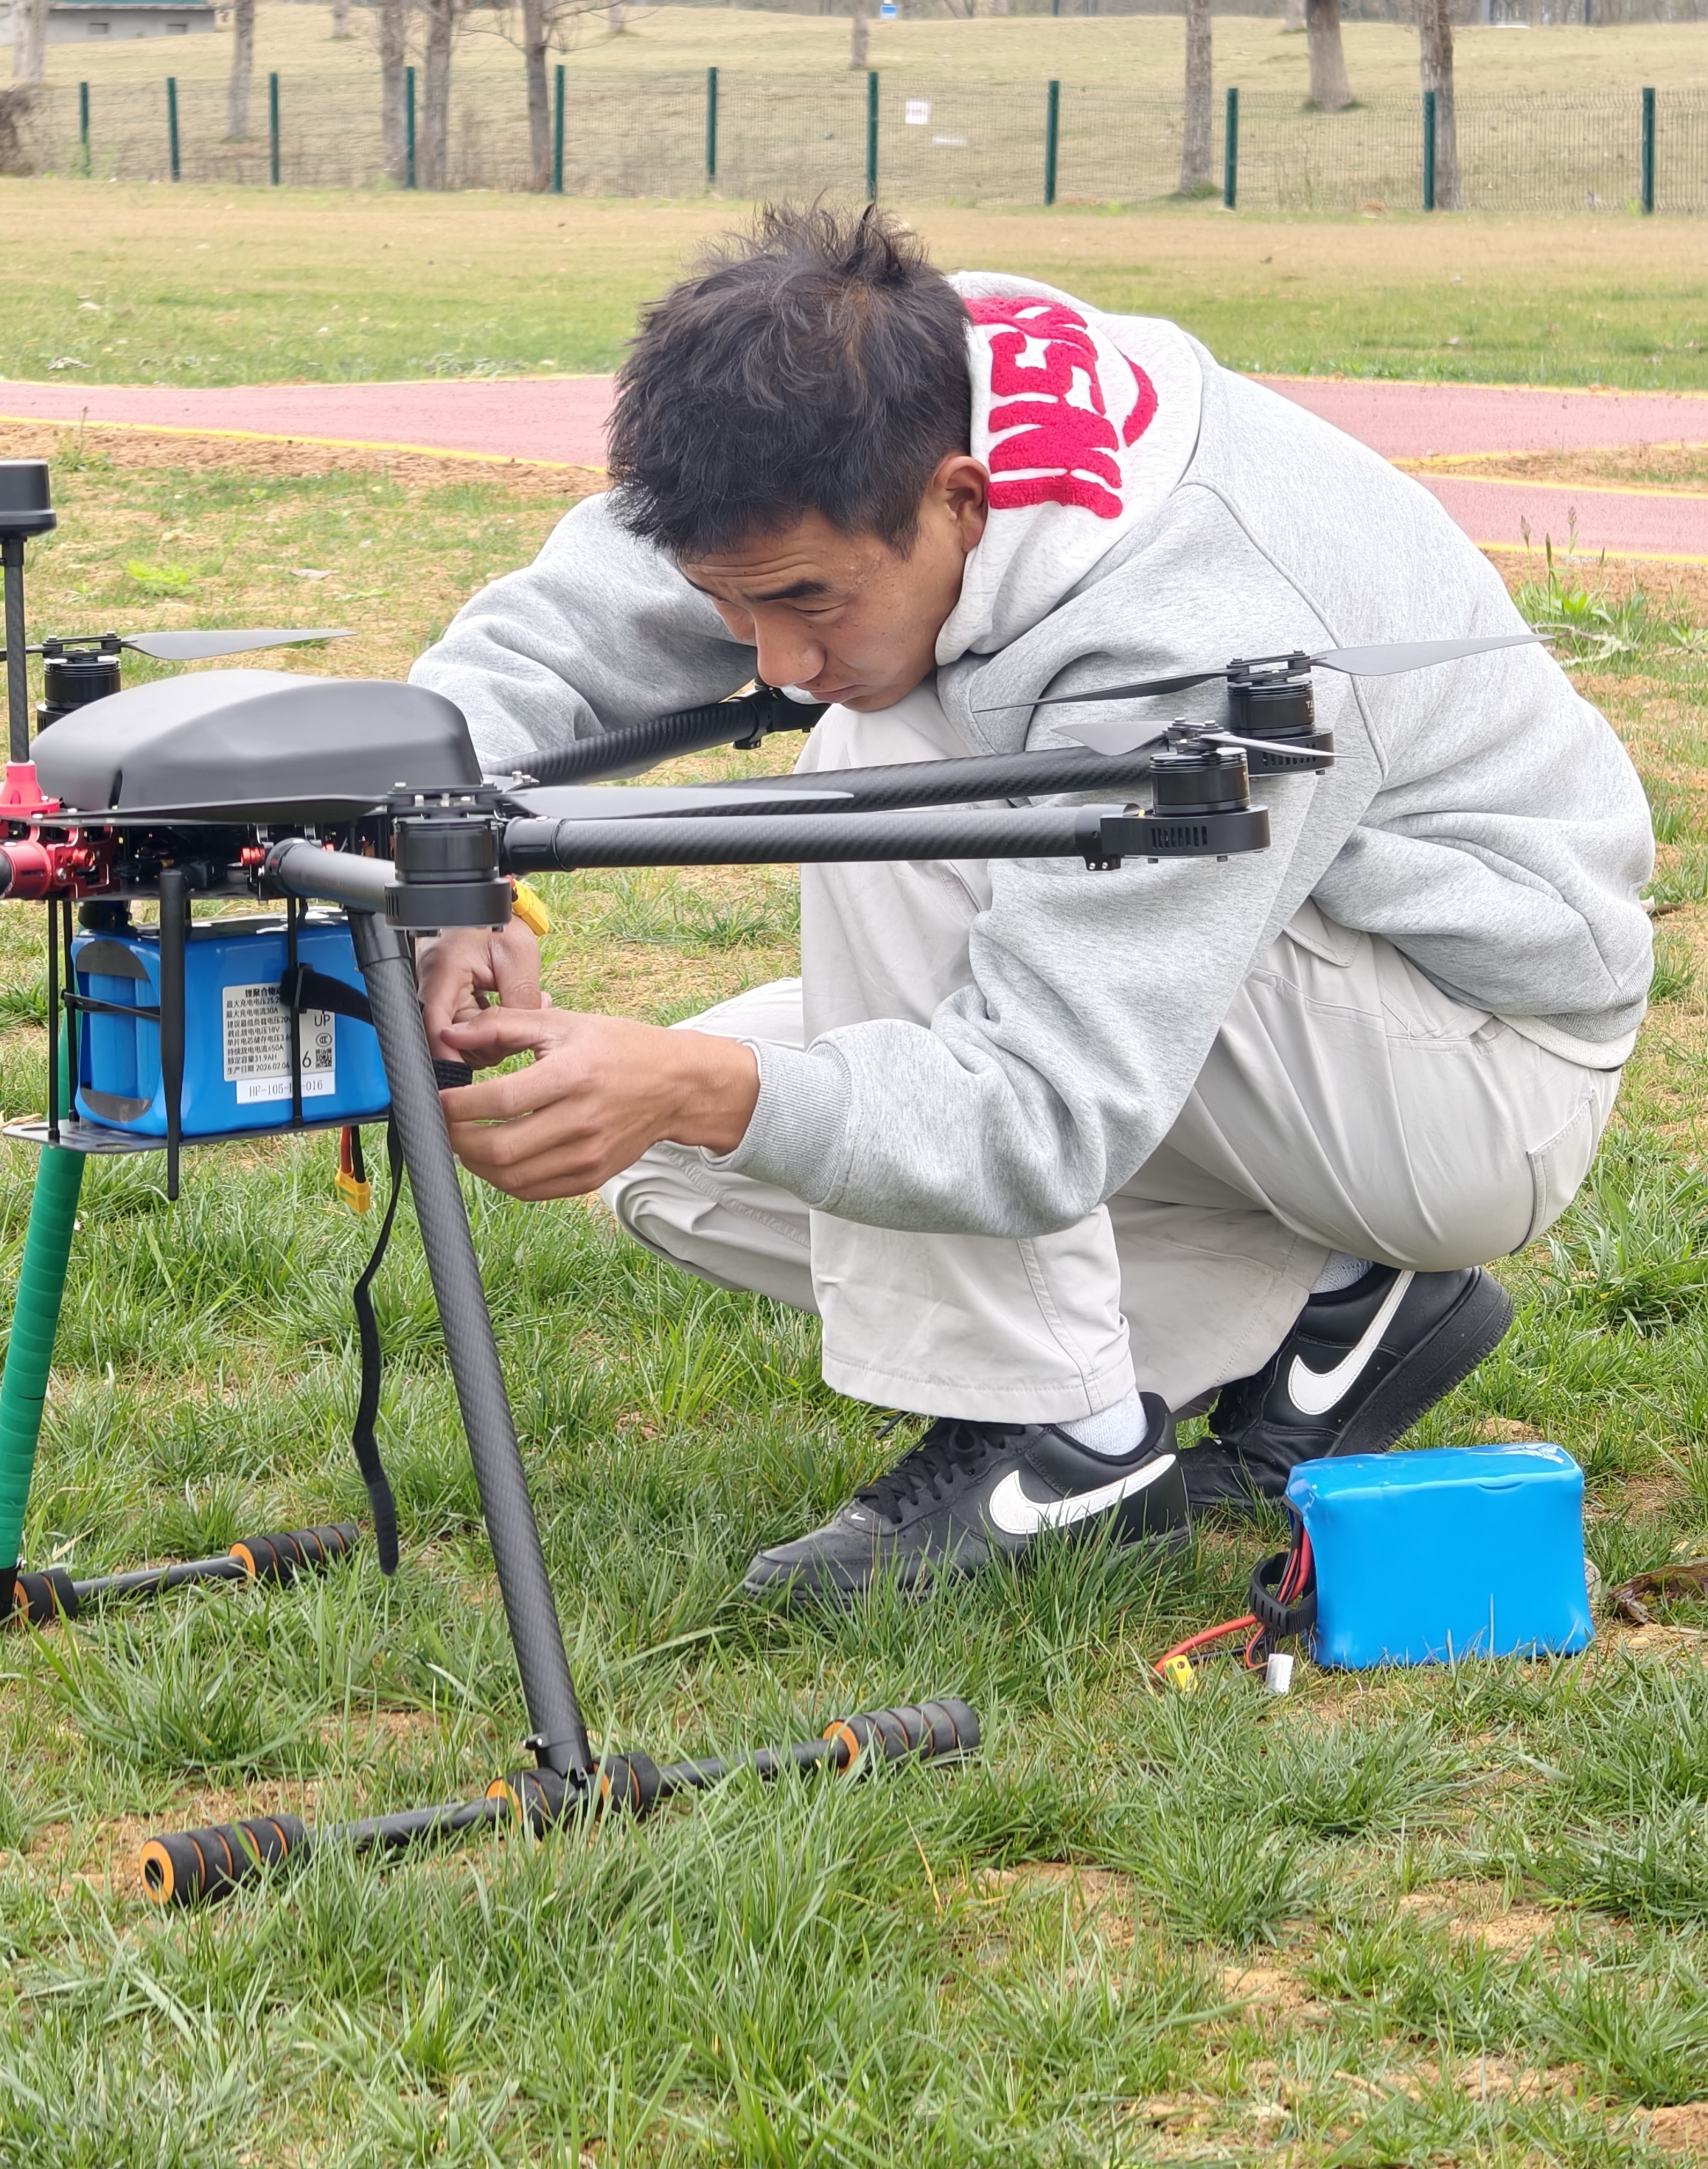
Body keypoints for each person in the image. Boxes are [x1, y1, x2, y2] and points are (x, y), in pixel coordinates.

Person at [408, 206, 1651, 1601]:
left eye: (809, 600)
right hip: (1271, 1034)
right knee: (664, 1162)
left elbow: (1046, 1105)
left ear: (960, 502)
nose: (774, 656)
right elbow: (546, 638)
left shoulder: (1188, 622)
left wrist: (708, 1082)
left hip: (1472, 1067)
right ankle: (1330, 1302)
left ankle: (1062, 1449)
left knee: (878, 767)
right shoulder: (862, 399)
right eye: (728, 605)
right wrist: (443, 869)